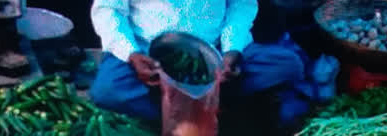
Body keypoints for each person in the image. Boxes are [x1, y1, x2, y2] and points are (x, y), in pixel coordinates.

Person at [89, 0, 311, 125]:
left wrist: (233, 48)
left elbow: (241, 5)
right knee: (107, 89)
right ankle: (198, 113)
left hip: (212, 51)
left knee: (287, 65)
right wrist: (131, 54)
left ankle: (195, 105)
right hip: (147, 51)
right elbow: (108, 9)